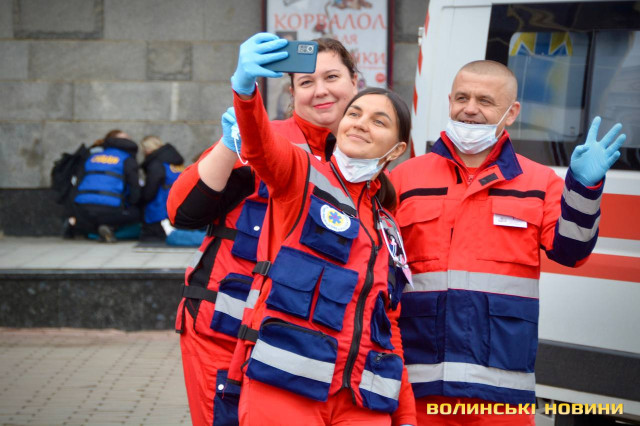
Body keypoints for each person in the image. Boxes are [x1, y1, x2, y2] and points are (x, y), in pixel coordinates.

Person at [389, 60, 626, 425]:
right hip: (417, 385)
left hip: (500, 395)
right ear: (450, 101)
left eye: (485, 100)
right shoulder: (404, 178)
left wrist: (583, 189)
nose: (470, 108)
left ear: (511, 112)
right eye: (462, 98)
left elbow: (572, 252)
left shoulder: (540, 182)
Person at [166, 35, 359, 425]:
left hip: (307, 347)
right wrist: (230, 143)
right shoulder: (262, 140)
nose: (320, 90)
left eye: (332, 77)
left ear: (355, 81)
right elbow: (182, 212)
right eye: (306, 82)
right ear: (292, 93)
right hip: (226, 338)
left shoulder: (368, 158)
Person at [229, 32, 415, 426]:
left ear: (397, 150)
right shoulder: (302, 175)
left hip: (362, 402)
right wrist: (245, 90)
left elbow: (389, 324)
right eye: (354, 114)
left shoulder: (387, 225)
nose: (361, 124)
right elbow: (260, 144)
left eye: (379, 121)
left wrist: (406, 416)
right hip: (285, 388)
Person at [71, 129, 141, 243]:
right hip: (111, 210)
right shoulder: (127, 159)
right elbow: (135, 190)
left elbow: (78, 182)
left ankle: (90, 229)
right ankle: (111, 228)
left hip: (81, 209)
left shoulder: (92, 156)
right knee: (137, 213)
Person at [138, 135, 185, 242]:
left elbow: (149, 192)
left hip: (161, 211)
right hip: (179, 208)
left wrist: (139, 199)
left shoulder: (156, 164)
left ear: (148, 149)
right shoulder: (176, 162)